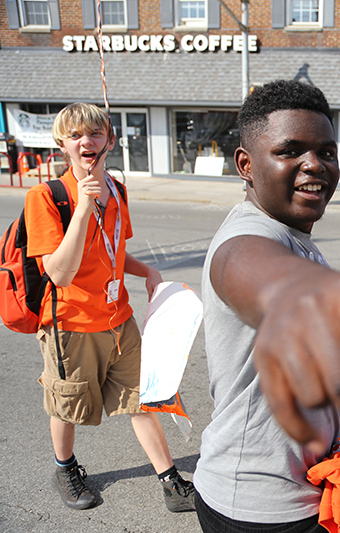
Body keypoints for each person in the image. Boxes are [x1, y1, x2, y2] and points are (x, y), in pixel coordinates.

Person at [193, 81, 340, 533]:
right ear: (246, 165)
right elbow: (263, 278)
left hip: (306, 488)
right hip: (258, 506)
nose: (315, 165)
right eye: (291, 151)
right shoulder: (246, 239)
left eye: (326, 151)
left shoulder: (293, 234)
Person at [24, 103, 195, 511]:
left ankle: (170, 481)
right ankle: (65, 467)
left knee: (143, 400)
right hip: (71, 325)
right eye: (77, 135)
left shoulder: (116, 189)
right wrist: (83, 206)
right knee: (67, 404)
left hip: (120, 320)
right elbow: (59, 273)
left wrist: (147, 270)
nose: (87, 141)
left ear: (110, 142)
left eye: (96, 134)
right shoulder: (46, 197)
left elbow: (114, 251)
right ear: (62, 144)